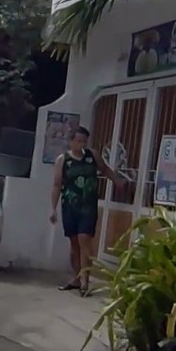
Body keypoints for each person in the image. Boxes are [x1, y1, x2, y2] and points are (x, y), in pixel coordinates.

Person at [49, 126, 125, 296]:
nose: (82, 144)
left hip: (88, 206)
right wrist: (52, 209)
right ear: (71, 141)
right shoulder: (63, 160)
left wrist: (117, 180)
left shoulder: (92, 155)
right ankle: (76, 278)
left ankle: (85, 280)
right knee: (74, 243)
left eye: (84, 141)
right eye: (78, 141)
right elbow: (56, 185)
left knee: (85, 239)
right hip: (69, 205)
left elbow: (104, 170)